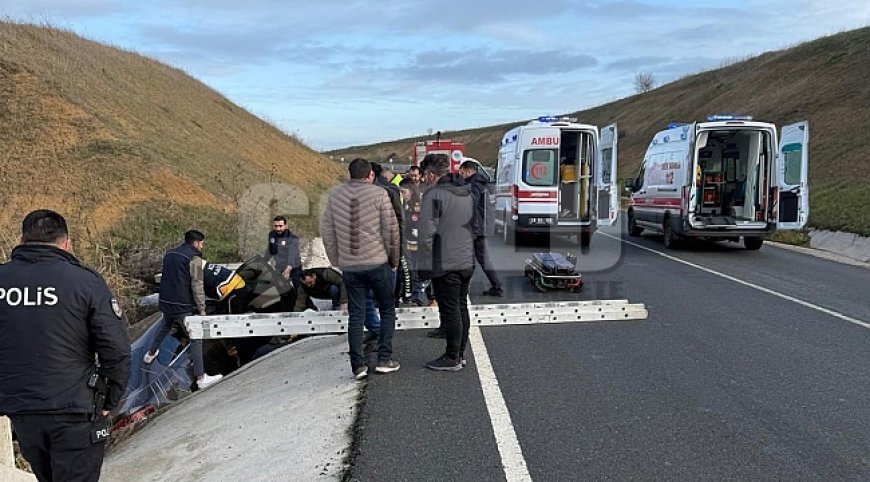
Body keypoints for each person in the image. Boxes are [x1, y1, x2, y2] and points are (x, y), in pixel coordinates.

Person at [0, 209, 131, 482]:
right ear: (66, 243)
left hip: (22, 410)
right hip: (75, 409)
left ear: (22, 241)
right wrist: (110, 400)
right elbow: (116, 349)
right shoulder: (84, 281)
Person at [321, 158, 401, 379]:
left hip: (350, 266)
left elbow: (327, 231)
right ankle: (384, 359)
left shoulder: (335, 195)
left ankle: (358, 366)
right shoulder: (380, 194)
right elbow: (391, 231)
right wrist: (394, 261)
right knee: (387, 309)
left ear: (350, 174)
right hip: (377, 263)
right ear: (370, 175)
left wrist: (337, 260)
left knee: (356, 315)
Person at [143, 230, 223, 389]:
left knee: (166, 325)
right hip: (181, 305)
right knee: (195, 336)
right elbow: (197, 284)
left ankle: (150, 354)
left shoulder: (169, 254)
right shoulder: (194, 259)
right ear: (196, 243)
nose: (202, 247)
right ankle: (201, 378)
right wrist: (201, 308)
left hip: (166, 301)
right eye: (201, 243)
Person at [418, 154, 476, 371]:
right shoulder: (466, 192)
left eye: (425, 175)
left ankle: (452, 357)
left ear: (432, 174)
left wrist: (424, 264)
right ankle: (460, 353)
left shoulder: (434, 195)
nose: (424, 179)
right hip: (466, 258)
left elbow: (425, 233)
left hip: (445, 260)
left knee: (451, 309)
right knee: (461, 306)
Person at [460, 158, 503, 297]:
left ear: (468, 171)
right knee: (478, 258)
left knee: (478, 258)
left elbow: (471, 203)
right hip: (482, 226)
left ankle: (496, 286)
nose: (461, 176)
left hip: (477, 227)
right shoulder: (482, 183)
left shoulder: (474, 185)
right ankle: (495, 286)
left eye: (462, 173)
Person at [265, 215, 303, 285]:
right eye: (276, 226)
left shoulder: (292, 238)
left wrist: (288, 269)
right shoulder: (272, 235)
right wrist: (264, 261)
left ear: (285, 226)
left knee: (298, 287)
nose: (278, 228)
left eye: (280, 226)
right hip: (280, 266)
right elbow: (270, 250)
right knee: (280, 287)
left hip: (294, 267)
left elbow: (292, 254)